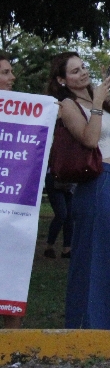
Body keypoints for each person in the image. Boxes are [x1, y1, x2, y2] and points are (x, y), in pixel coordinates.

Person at [51, 53, 110, 329]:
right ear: (61, 79)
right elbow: (90, 139)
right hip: (95, 180)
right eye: (74, 71)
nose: (82, 74)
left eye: (83, 68)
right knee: (96, 253)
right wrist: (99, 103)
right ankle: (90, 322)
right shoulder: (67, 105)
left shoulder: (95, 96)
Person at [0, 53, 24, 328]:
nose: (12, 77)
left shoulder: (24, 108)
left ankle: (13, 343)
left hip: (14, 208)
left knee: (12, 277)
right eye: (5, 72)